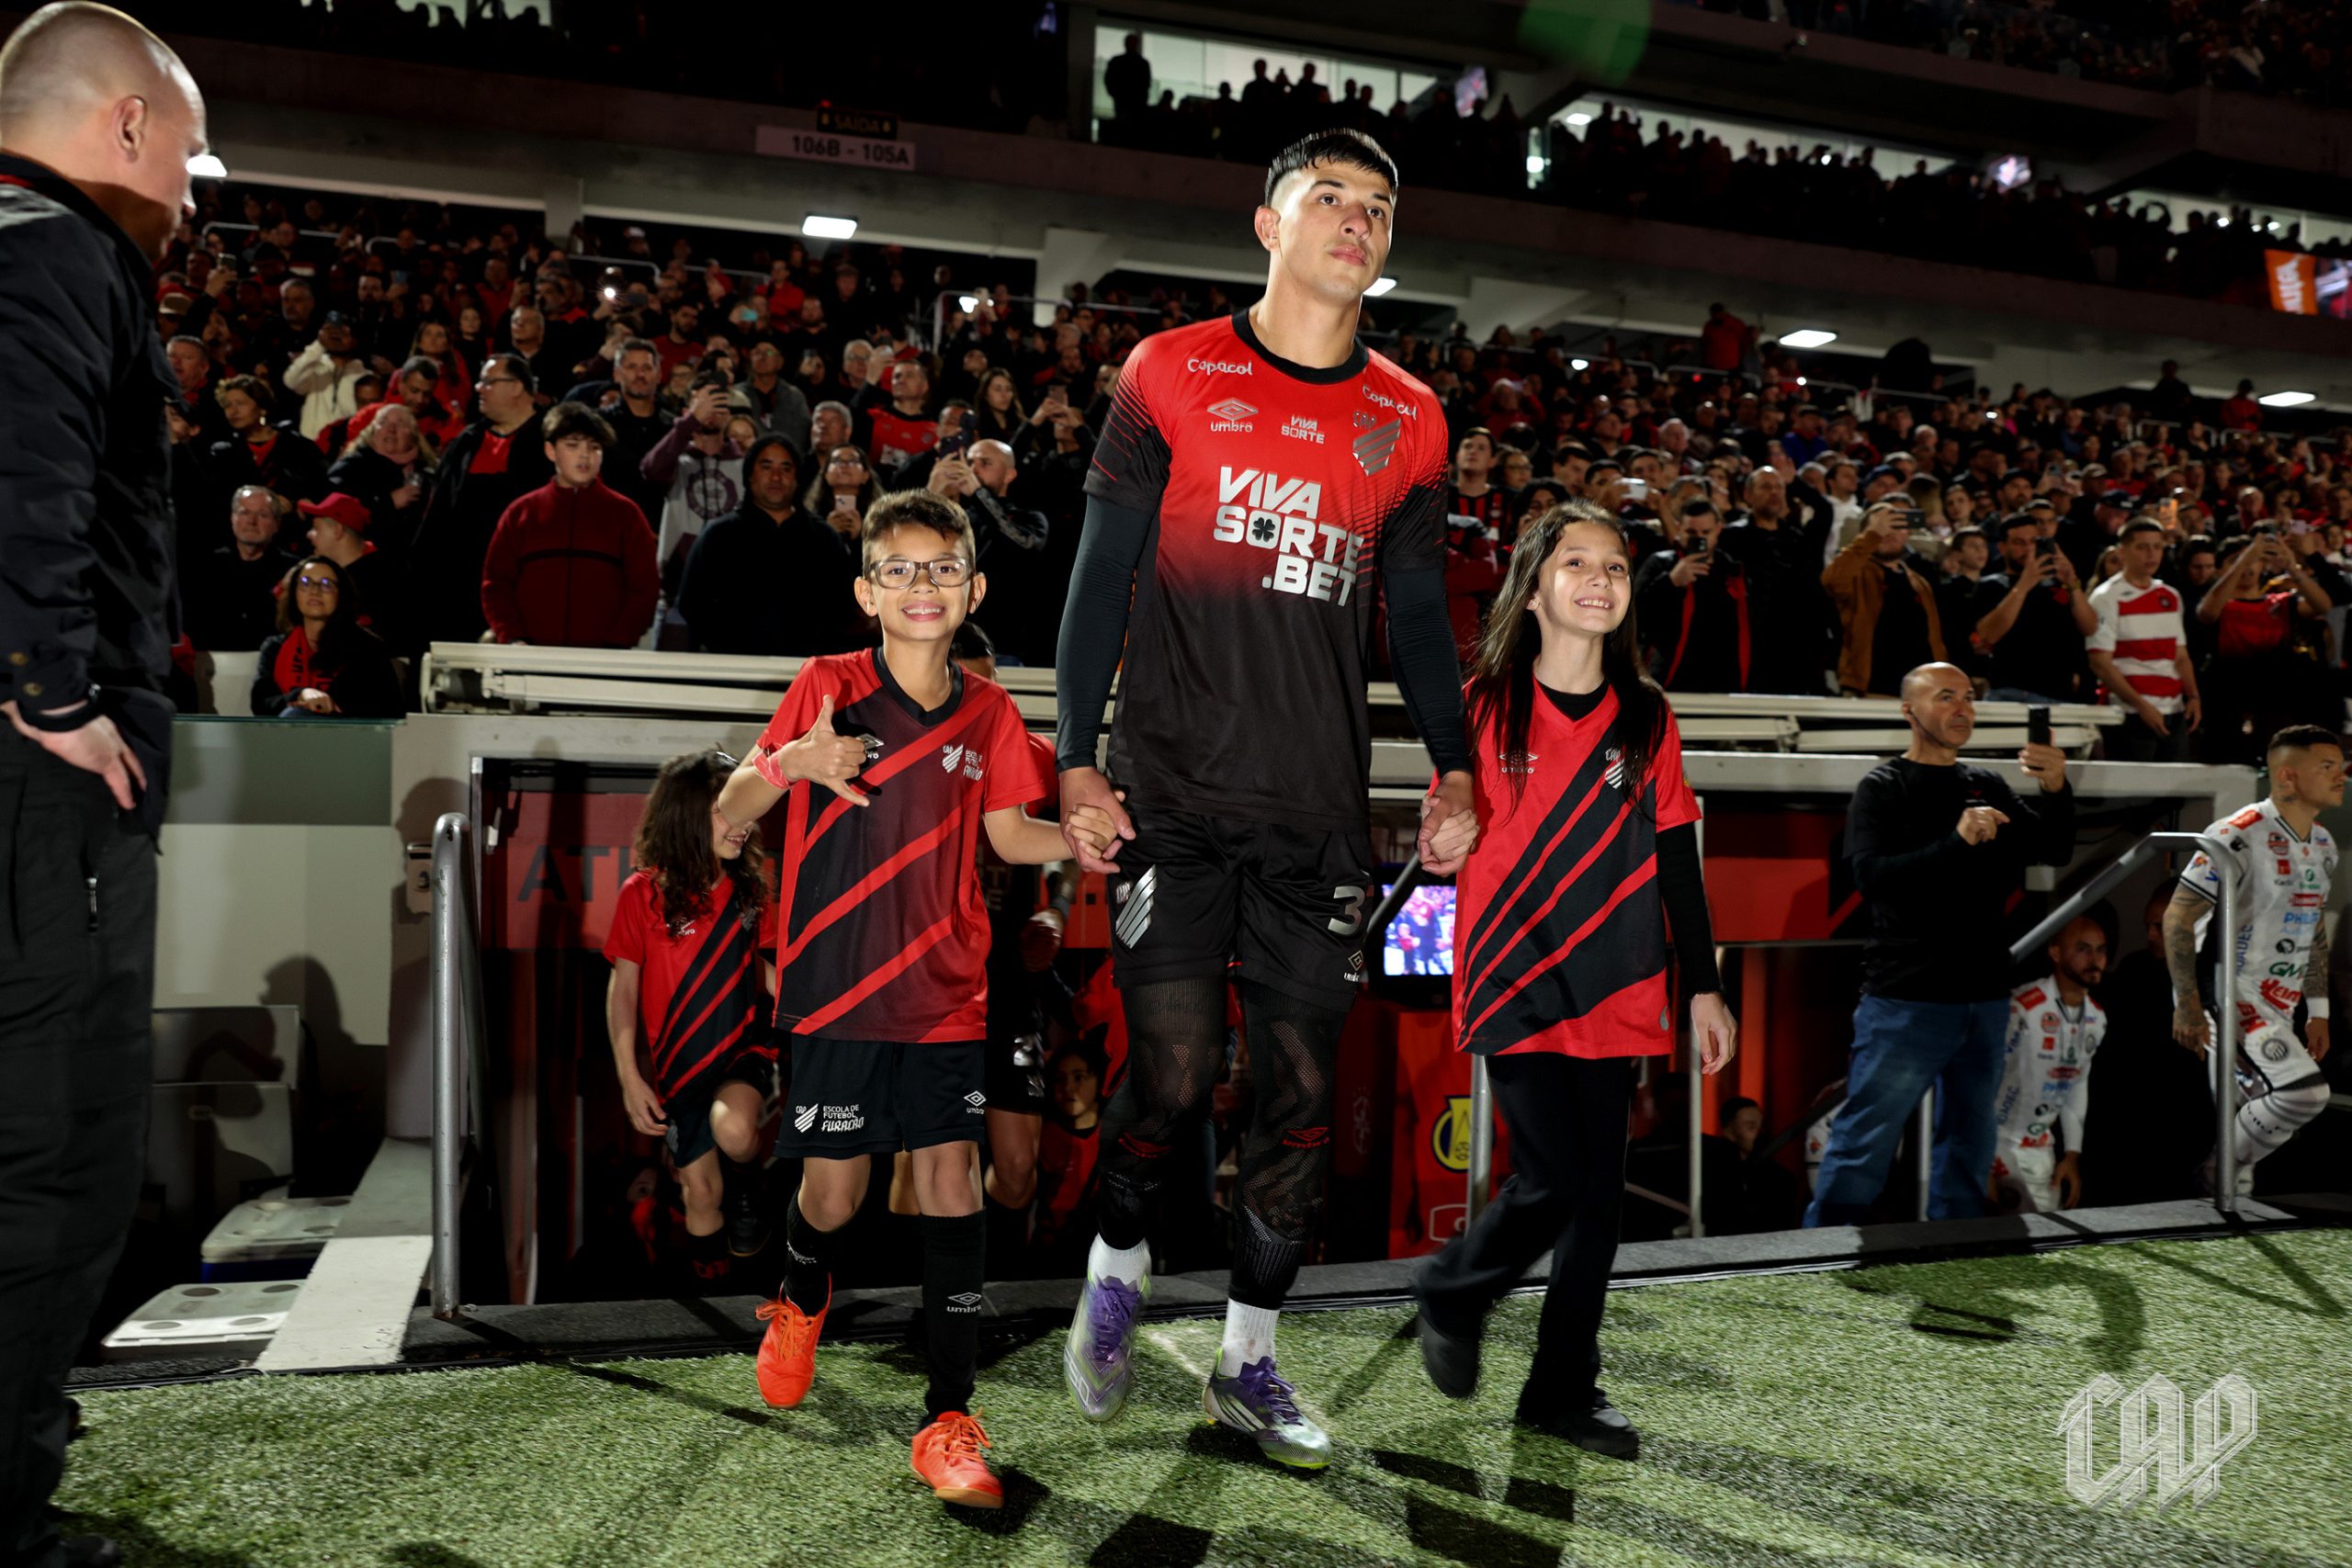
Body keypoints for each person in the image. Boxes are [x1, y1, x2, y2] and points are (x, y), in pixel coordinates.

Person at [1053, 129, 1480, 1471]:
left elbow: (1419, 616)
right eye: (1329, 198)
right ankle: (1118, 1262)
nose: (1356, 221)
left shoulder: (1411, 418)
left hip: (1316, 815)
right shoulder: (1169, 371)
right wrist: (1074, 753)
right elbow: (1100, 576)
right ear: (1269, 224)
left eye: (1377, 206)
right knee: (1173, 1074)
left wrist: (1455, 762)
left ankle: (1248, 1357)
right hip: (1171, 795)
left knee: (1296, 1099)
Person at [718, 491, 1115, 1510]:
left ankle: (948, 1418)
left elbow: (1008, 835)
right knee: (835, 1198)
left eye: (941, 567)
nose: (921, 584)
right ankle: (800, 1296)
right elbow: (729, 811)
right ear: (867, 593)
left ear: (973, 588)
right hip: (836, 994)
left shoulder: (989, 712)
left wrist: (1084, 840)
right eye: (898, 569)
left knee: (952, 1182)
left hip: (946, 993)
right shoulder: (825, 686)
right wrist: (794, 762)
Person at [0, 10, 205, 1562]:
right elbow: (27, 466)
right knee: (54, 1147)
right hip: (39, 792)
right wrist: (51, 690)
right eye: (187, 155)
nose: (189, 196)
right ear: (126, 123)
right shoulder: (59, 255)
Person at [1408, 502, 1736, 1461]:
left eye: (1616, 566)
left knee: (1597, 1201)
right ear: (1533, 588)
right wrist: (1441, 844)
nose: (1600, 580)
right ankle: (1453, 1289)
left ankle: (1560, 1390)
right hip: (1513, 973)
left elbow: (1676, 856)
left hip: (1619, 981)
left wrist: (1703, 985)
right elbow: (1441, 833)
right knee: (1551, 1178)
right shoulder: (1480, 704)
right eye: (1576, 563)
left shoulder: (1648, 715)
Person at [1806, 662, 2075, 1227]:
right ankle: (1825, 1249)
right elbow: (1871, 879)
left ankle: (1958, 1250)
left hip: (1984, 997)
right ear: (1910, 711)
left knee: (1970, 1142)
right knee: (1865, 1140)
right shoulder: (1884, 787)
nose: (1962, 709)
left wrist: (2056, 787)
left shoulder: (1986, 784)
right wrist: (1956, 841)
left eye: (1969, 698)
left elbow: (2053, 847)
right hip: (1907, 999)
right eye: (1946, 697)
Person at [605, 750, 781, 1282]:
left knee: (735, 1131)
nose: (743, 823)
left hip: (744, 1051)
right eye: (727, 810)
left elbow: (773, 973)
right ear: (685, 815)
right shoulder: (641, 894)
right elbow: (623, 991)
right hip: (677, 1071)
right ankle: (714, 1294)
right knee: (700, 1194)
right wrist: (629, 1077)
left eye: (748, 809)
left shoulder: (752, 889)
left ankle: (751, 1186)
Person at [2164, 727, 2342, 1196]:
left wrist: (2318, 1010)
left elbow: (2314, 928)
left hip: (2282, 1006)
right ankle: (2215, 1171)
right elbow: (2178, 917)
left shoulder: (2324, 845)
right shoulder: (2235, 833)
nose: (2341, 775)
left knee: (2257, 1114)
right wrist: (2187, 1003)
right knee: (2305, 1094)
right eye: (2327, 766)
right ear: (2287, 776)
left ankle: (2226, 1197)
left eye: (2341, 766)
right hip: (2231, 995)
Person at [947, 621, 1071, 1275]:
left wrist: (1056, 908)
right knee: (933, 1166)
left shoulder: (1032, 755)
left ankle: (995, 1287)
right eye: (972, 686)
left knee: (1018, 1167)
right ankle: (939, 1298)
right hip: (935, 990)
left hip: (1011, 986)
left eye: (993, 685)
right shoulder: (912, 755)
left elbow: (1075, 843)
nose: (987, 700)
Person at [481, 402, 660, 649]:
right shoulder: (521, 513)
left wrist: (617, 644)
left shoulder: (626, 515)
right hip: (528, 658)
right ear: (550, 451)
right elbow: (496, 583)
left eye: (594, 447)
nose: (585, 455)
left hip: (604, 661)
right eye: (572, 445)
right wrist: (514, 638)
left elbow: (645, 589)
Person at [404, 353, 551, 647]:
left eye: (488, 382)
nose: (478, 388)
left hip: (523, 584)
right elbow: (437, 515)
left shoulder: (549, 441)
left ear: (517, 387)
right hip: (458, 586)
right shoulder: (467, 442)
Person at [675, 436, 860, 656]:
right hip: (733, 665)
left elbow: (843, 607)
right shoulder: (719, 535)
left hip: (806, 666)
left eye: (786, 468)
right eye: (766, 466)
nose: (776, 477)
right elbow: (692, 603)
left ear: (797, 478)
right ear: (749, 475)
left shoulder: (824, 537)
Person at [1988, 916, 2109, 1214]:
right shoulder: (2023, 1008)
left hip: (2042, 1151)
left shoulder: (2097, 1018)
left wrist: (2072, 1154)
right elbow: (1979, 1079)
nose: (2095, 960)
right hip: (1996, 1145)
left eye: (2101, 950)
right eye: (2083, 949)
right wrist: (1980, 1157)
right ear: (2055, 953)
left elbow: (2076, 1085)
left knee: (2046, 1238)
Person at [2086, 518, 2200, 761]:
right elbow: (2100, 663)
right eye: (2142, 547)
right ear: (2122, 552)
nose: (2151, 554)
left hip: (2173, 710)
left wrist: (2193, 696)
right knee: (2133, 784)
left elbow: (2180, 655)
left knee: (2174, 783)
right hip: (2128, 713)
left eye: (2157, 547)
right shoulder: (2106, 597)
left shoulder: (2170, 595)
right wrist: (2141, 706)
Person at [249, 555, 402, 719]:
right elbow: (261, 704)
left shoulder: (368, 648)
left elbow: (388, 710)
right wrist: (300, 694)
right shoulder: (274, 647)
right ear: (294, 593)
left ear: (340, 595)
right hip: (284, 729)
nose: (315, 591)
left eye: (326, 584)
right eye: (306, 583)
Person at [1823, 500, 1947, 698]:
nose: (1888, 533)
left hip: (1919, 694)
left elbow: (1935, 641)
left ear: (1907, 533)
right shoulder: (1857, 573)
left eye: (1896, 525)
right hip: (1870, 690)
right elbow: (1832, 581)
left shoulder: (1919, 582)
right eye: (1881, 525)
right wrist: (1871, 536)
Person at [1975, 513, 2096, 704]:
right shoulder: (1991, 585)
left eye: (2033, 541)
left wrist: (2072, 582)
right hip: (2010, 692)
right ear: (2002, 548)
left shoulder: (2058, 586)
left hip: (2060, 693)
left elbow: (2090, 627)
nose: (2028, 549)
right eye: (2019, 543)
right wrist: (2024, 584)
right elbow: (1987, 635)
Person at [1634, 498, 1751, 692]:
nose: (1699, 539)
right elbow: (1634, 617)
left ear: (1718, 529)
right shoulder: (1660, 564)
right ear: (1679, 529)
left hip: (1723, 682)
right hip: (1670, 680)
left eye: (1706, 532)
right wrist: (1671, 582)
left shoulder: (1733, 570)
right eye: (1691, 532)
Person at [184, 484, 296, 651]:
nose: (251, 521)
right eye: (244, 513)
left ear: (277, 524)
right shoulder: (203, 568)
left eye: (262, 515)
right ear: (232, 518)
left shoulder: (292, 571)